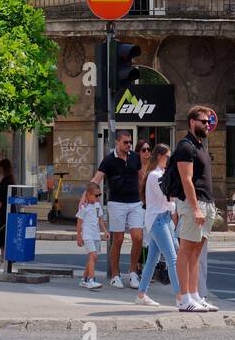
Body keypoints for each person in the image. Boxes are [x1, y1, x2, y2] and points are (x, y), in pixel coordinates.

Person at [171, 106, 219, 313]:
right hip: (194, 204)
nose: (207, 125)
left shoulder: (200, 146)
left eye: (208, 122)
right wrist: (195, 208)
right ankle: (184, 298)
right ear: (192, 122)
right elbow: (186, 179)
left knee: (196, 253)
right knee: (186, 249)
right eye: (203, 121)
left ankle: (195, 295)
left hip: (206, 203)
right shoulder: (185, 146)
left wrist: (209, 207)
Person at [90, 130, 144, 288]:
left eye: (130, 142)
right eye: (125, 142)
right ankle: (115, 274)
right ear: (117, 143)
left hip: (135, 202)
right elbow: (97, 178)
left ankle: (133, 272)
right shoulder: (108, 160)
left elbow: (141, 177)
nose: (128, 145)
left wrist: (146, 196)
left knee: (138, 237)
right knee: (118, 239)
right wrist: (86, 196)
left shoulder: (134, 157)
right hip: (117, 203)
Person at [135, 144, 183, 307]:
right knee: (172, 258)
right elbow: (168, 198)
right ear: (160, 156)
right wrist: (173, 205)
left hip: (162, 218)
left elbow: (169, 198)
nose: (169, 160)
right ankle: (180, 297)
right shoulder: (155, 176)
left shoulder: (160, 174)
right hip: (158, 219)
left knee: (152, 260)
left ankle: (141, 294)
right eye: (167, 157)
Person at [76, 182, 108, 289]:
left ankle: (83, 279)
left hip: (96, 235)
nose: (98, 197)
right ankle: (91, 279)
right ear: (88, 195)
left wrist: (105, 231)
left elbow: (100, 220)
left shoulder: (98, 206)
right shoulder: (84, 207)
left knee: (93, 258)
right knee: (93, 255)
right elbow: (79, 223)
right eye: (96, 195)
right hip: (87, 235)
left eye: (99, 195)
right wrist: (79, 236)